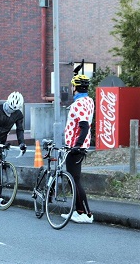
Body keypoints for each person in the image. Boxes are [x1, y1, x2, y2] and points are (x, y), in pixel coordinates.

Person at [62, 74, 95, 223]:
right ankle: (78, 211)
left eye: (72, 86)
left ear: (75, 87)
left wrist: (76, 145)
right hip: (80, 146)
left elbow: (84, 126)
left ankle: (85, 214)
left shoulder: (79, 104)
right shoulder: (89, 100)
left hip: (75, 147)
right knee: (74, 180)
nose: (71, 88)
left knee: (75, 181)